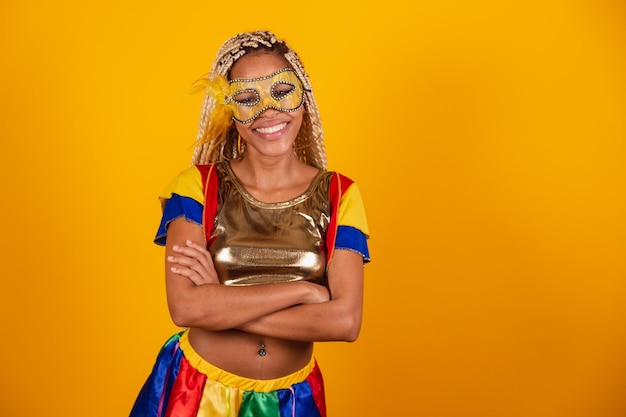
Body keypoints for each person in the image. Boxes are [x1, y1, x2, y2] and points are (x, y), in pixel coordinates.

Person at [129, 30, 370, 417]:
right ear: (230, 111)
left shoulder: (340, 195)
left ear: (303, 100)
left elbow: (345, 322)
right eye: (247, 98)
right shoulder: (197, 188)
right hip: (197, 394)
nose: (268, 112)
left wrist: (221, 303)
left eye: (282, 92)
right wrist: (304, 292)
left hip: (294, 401)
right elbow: (186, 308)